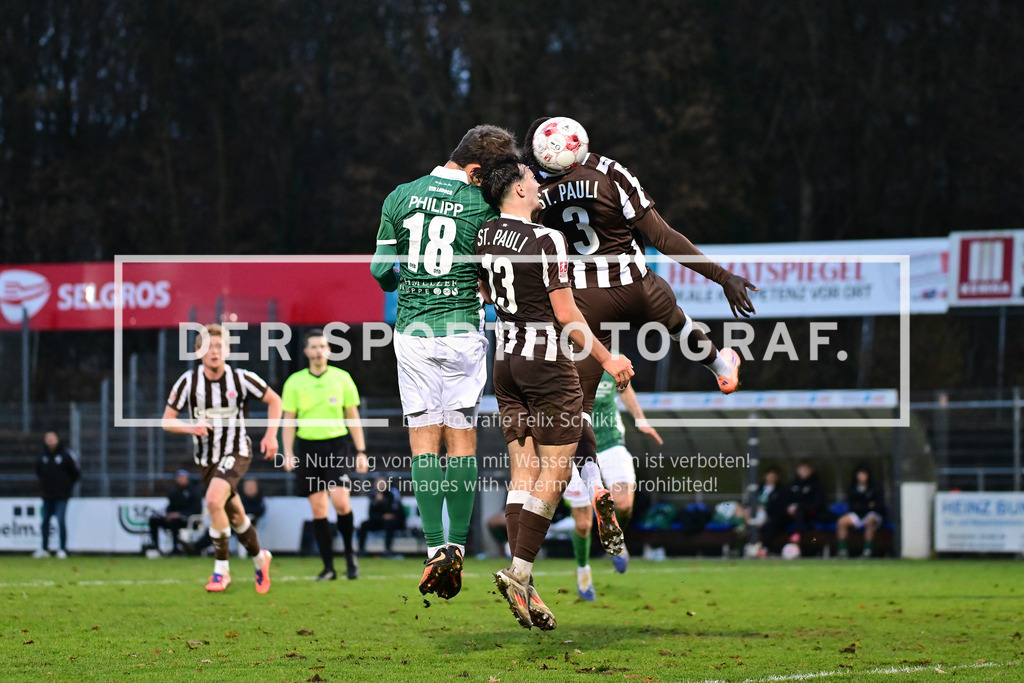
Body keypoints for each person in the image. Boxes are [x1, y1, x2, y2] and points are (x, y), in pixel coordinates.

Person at [524, 117, 758, 553]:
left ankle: (594, 485)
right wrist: (722, 276)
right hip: (636, 285)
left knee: (581, 405)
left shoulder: (534, 191)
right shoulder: (613, 173)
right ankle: (722, 367)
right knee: (678, 322)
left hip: (583, 297)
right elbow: (663, 237)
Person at [477, 157, 634, 630]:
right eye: (533, 180)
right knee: (555, 472)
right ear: (519, 190)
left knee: (522, 476)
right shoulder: (547, 239)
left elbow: (486, 292)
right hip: (545, 361)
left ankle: (524, 574)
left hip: (503, 362)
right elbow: (567, 316)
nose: (540, 186)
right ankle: (521, 572)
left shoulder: (484, 233)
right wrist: (609, 360)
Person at [370, 124, 520, 600]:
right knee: (461, 444)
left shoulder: (400, 196)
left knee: (423, 447)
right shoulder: (483, 206)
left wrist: (402, 283)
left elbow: (379, 270)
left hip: (413, 334)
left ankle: (435, 547)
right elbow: (495, 274)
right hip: (462, 335)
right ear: (476, 171)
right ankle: (457, 543)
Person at [162, 323, 281, 593]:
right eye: (207, 347)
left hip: (237, 450)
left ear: (227, 350)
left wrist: (271, 435)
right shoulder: (187, 382)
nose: (213, 351)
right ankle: (261, 559)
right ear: (197, 351)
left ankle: (220, 571)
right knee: (235, 514)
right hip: (207, 460)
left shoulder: (240, 378)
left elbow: (275, 400)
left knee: (213, 500)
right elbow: (166, 421)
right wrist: (189, 427)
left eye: (218, 346)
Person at [562, 374, 662, 600]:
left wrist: (640, 419)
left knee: (625, 504)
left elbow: (625, 388)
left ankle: (617, 538)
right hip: (573, 448)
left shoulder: (609, 358)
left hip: (610, 443)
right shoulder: (558, 358)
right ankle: (583, 570)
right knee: (583, 523)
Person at [281, 329, 368, 581]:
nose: (319, 351)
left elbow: (353, 417)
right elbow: (288, 421)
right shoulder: (294, 382)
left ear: (329, 350)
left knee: (341, 502)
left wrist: (361, 451)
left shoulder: (342, 379)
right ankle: (328, 567)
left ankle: (350, 556)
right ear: (307, 351)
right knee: (318, 508)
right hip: (307, 447)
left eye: (323, 346)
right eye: (314, 347)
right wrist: (288, 452)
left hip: (336, 446)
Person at [34, 431, 80, 559]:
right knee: (45, 522)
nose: (50, 441)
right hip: (47, 495)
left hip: (62, 495)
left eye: (52, 438)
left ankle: (62, 549)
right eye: (47, 438)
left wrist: (66, 486)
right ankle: (44, 549)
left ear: (57, 439)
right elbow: (38, 470)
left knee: (60, 520)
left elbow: (76, 473)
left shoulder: (66, 454)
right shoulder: (42, 455)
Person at [147, 469, 203, 556]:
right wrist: (168, 515)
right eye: (178, 477)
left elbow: (196, 510)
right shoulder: (174, 491)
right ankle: (155, 546)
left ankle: (175, 549)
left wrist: (179, 514)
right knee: (154, 520)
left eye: (182, 477)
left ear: (187, 479)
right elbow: (170, 507)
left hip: (189, 519)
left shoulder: (194, 491)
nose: (180, 479)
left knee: (174, 522)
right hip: (173, 518)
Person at [836, 464, 885, 558]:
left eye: (864, 474)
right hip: (857, 514)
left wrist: (862, 505)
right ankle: (843, 550)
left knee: (870, 521)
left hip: (872, 514)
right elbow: (852, 505)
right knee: (841, 522)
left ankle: (867, 550)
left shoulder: (875, 487)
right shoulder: (852, 488)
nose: (862, 476)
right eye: (860, 474)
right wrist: (867, 505)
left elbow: (878, 505)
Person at [357, 476, 406, 557]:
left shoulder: (392, 494)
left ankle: (388, 550)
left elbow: (397, 512)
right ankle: (361, 550)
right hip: (379, 520)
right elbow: (371, 514)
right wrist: (382, 516)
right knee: (364, 525)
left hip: (393, 521)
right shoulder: (373, 496)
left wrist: (383, 502)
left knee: (389, 524)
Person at [748, 466, 788, 554]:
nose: (771, 477)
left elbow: (780, 506)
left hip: (769, 515)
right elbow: (749, 501)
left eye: (774, 476)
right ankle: (748, 542)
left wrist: (765, 508)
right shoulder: (758, 488)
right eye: (770, 475)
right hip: (754, 512)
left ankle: (756, 545)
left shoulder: (781, 491)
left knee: (760, 522)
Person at [786, 459, 826, 529]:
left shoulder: (816, 484)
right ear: (798, 470)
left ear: (811, 470)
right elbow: (786, 497)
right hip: (792, 512)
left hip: (810, 512)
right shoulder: (793, 483)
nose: (803, 472)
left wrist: (798, 506)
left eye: (806, 469)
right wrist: (789, 506)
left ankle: (796, 534)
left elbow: (817, 502)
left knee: (800, 510)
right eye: (802, 469)